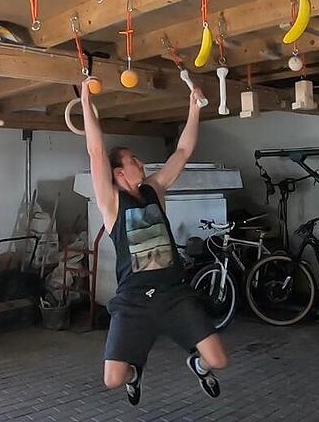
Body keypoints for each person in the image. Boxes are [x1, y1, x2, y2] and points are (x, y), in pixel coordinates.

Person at [79, 77, 228, 406]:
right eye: (133, 160)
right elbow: (94, 150)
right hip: (133, 300)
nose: (141, 163)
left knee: (217, 360)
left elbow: (183, 151)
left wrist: (193, 108)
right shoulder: (111, 202)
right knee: (113, 379)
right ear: (118, 173)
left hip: (173, 294)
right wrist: (86, 101)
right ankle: (136, 372)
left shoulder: (155, 190)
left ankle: (196, 365)